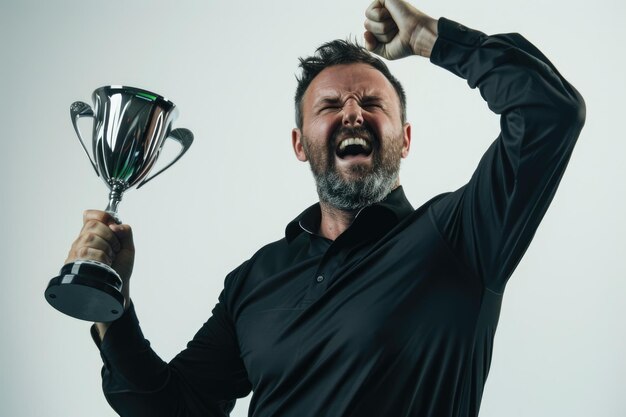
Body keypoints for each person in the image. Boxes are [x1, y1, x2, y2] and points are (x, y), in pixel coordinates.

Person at [65, 1, 585, 416]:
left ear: (404, 140)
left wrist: (432, 39)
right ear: (300, 143)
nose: (353, 112)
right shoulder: (255, 278)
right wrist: (113, 308)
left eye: (372, 104)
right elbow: (177, 407)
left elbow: (549, 112)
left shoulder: (462, 239)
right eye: (331, 106)